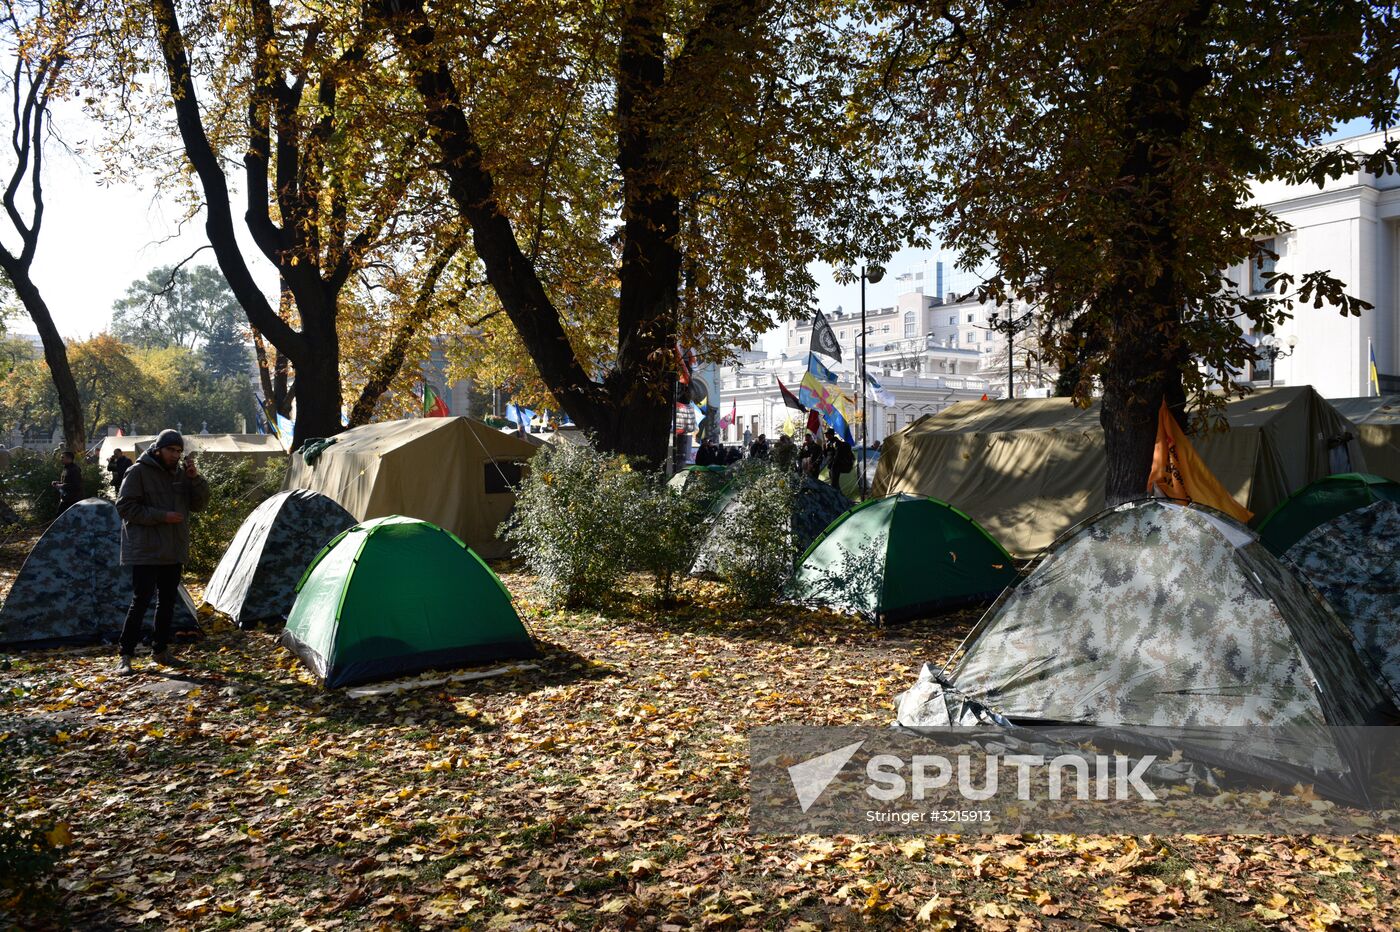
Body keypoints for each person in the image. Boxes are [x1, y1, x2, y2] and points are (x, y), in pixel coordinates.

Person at [115, 430, 210, 675]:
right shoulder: (138, 472)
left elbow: (199, 505)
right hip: (146, 548)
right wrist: (162, 516)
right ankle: (125, 655)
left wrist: (195, 479)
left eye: (179, 451)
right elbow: (125, 507)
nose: (175, 455)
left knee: (167, 602)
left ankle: (160, 651)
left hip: (172, 548)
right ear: (158, 449)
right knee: (141, 601)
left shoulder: (181, 474)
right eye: (171, 450)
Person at [823, 427, 854, 492]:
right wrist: (824, 449)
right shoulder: (828, 443)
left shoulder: (836, 443)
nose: (826, 436)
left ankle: (838, 498)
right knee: (835, 484)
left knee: (834, 484)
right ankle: (839, 496)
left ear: (831, 435)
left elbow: (837, 455)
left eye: (827, 434)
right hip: (831, 466)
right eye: (826, 434)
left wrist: (834, 464)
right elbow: (826, 455)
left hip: (835, 466)